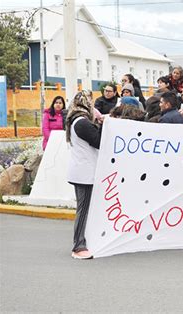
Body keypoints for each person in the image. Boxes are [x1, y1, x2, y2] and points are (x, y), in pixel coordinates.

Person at [65, 90, 101, 260]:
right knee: (84, 210)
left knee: (85, 208)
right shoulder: (82, 123)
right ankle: (78, 246)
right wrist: (101, 124)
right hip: (84, 173)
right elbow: (99, 140)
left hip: (82, 171)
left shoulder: (76, 120)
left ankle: (83, 242)